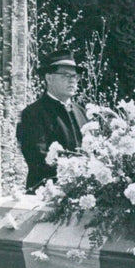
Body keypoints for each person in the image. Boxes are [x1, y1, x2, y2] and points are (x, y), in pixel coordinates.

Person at [16, 49, 86, 193]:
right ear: (49, 78)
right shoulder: (33, 114)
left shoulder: (82, 113)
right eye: (66, 75)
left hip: (84, 197)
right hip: (46, 197)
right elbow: (38, 159)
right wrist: (78, 171)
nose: (72, 80)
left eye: (75, 76)